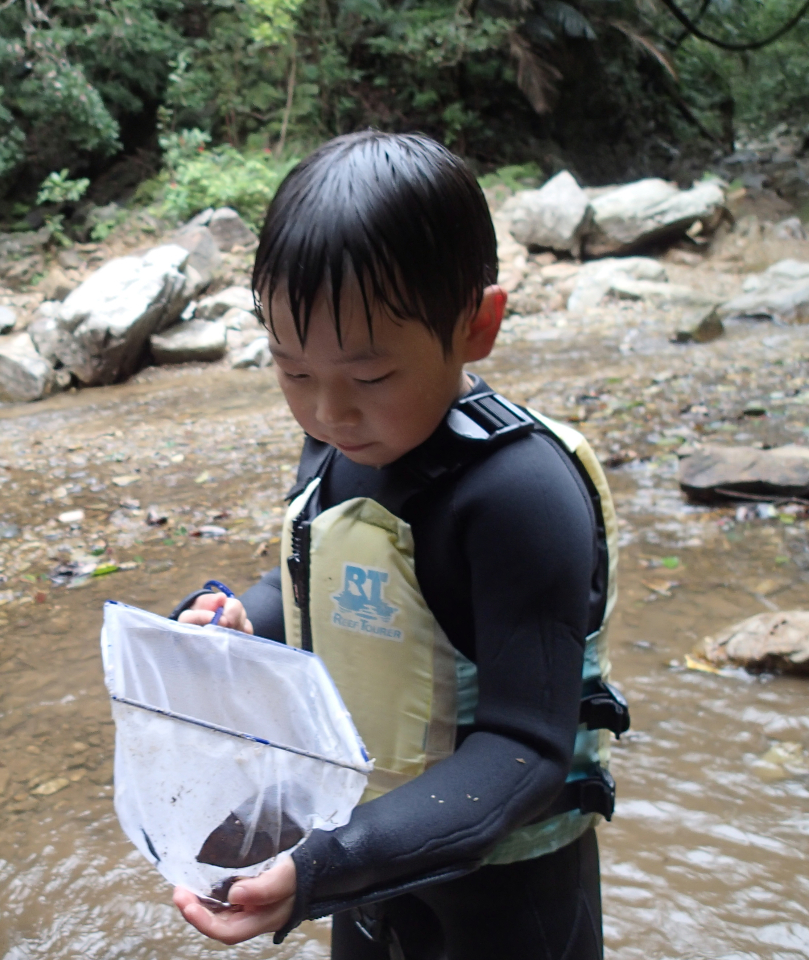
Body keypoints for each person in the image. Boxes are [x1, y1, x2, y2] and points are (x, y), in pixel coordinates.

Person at [169, 131, 628, 959]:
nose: (328, 412)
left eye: (370, 377)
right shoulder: (339, 444)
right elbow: (317, 584)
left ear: (478, 325)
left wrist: (323, 866)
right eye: (293, 371)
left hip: (506, 896)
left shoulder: (520, 496)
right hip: (367, 863)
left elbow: (526, 749)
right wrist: (243, 621)